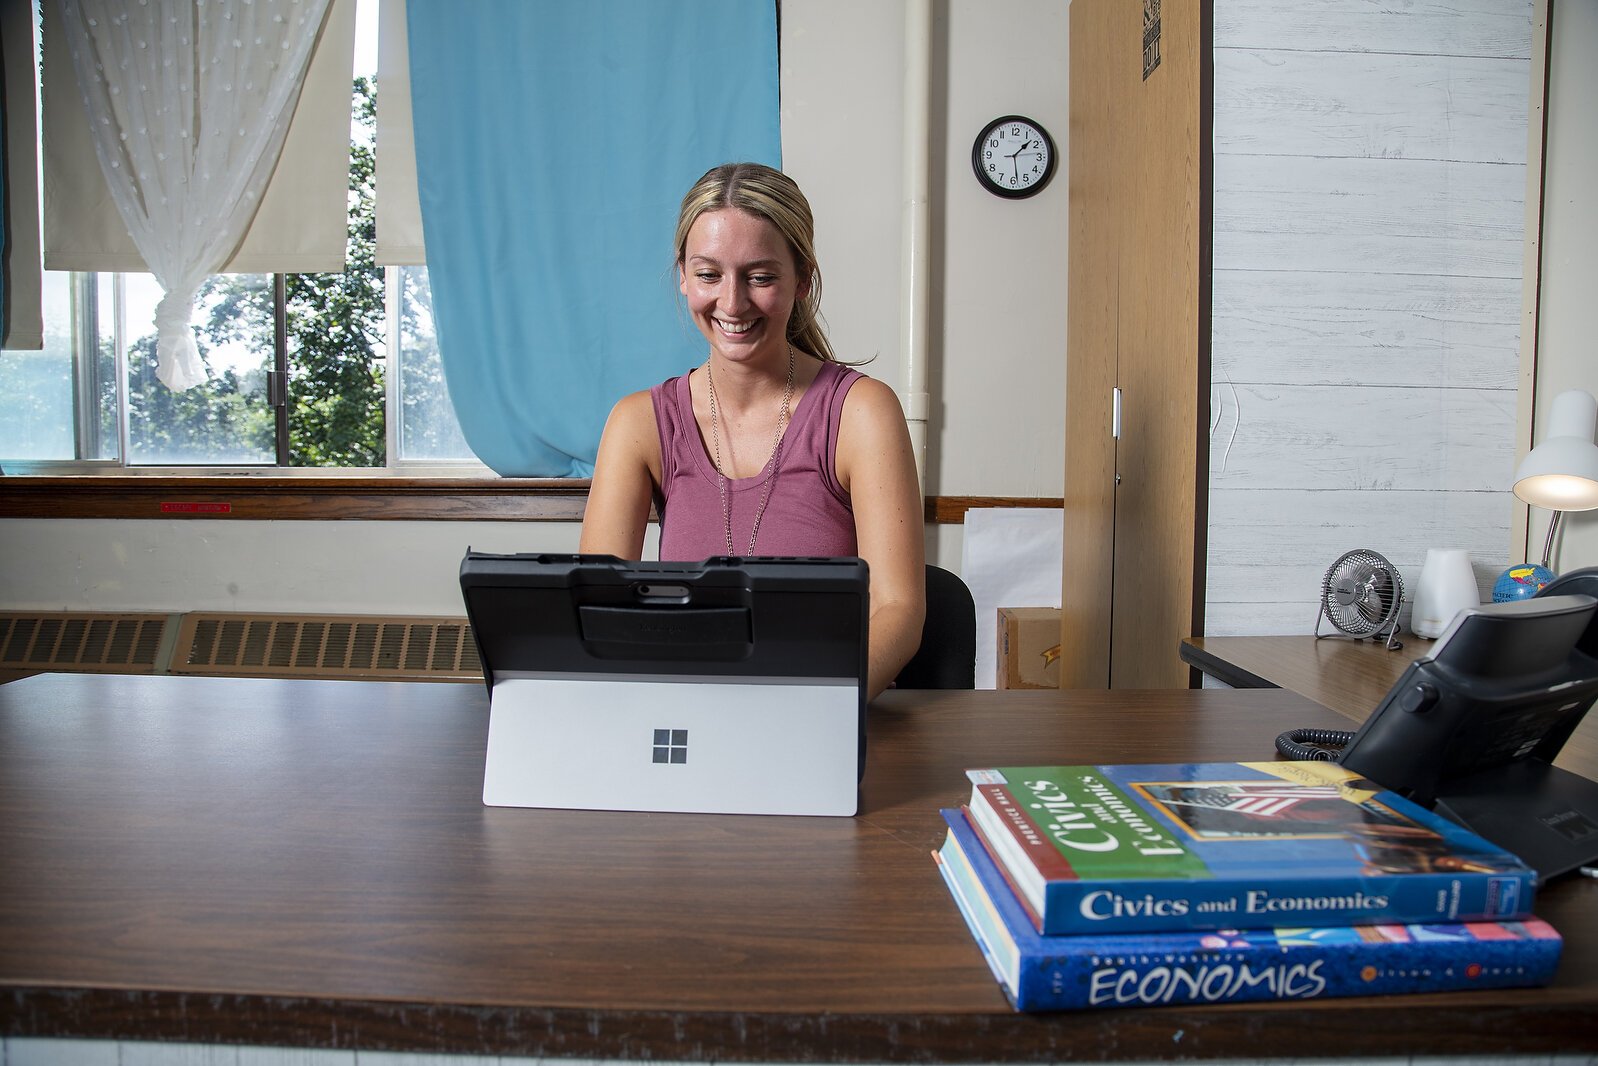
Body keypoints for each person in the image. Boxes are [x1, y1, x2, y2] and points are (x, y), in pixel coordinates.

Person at [581, 162, 926, 701]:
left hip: (822, 713)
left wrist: (813, 708)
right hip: (687, 716)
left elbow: (897, 610)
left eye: (760, 276)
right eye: (708, 274)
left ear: (803, 280)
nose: (732, 303)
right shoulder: (638, 422)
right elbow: (596, 613)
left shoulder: (862, 413)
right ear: (682, 275)